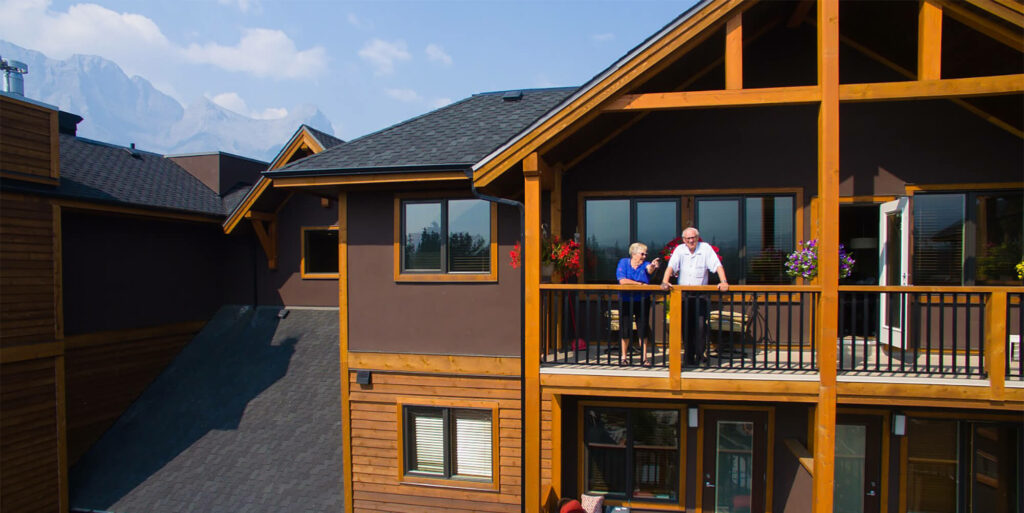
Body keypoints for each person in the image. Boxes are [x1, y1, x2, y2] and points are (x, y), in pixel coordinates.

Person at [660, 227, 729, 365]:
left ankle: (700, 354)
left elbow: (717, 266)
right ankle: (689, 356)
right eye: (688, 238)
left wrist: (724, 282)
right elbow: (671, 266)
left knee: (700, 326)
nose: (691, 241)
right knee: (686, 326)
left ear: (697, 238)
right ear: (684, 240)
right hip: (684, 294)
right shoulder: (680, 249)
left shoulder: (705, 248)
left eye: (693, 238)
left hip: (700, 294)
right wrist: (664, 281)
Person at [616, 242, 661, 366]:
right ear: (634, 254)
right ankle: (624, 357)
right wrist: (640, 284)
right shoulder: (624, 262)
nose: (644, 256)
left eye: (646, 254)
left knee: (643, 328)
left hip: (642, 300)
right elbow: (623, 281)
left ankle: (644, 358)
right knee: (625, 328)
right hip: (626, 299)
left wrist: (653, 266)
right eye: (642, 254)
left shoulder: (645, 264)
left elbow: (649, 269)